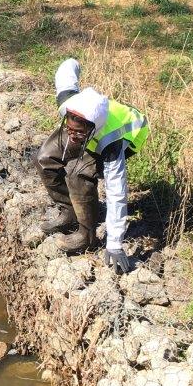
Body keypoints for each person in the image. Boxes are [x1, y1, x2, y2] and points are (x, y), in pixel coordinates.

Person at [35, 58, 149, 275]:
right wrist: (74, 61)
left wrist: (115, 244)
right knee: (45, 158)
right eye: (69, 128)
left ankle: (86, 236)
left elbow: (117, 193)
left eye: (78, 132)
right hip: (88, 122)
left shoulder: (111, 143)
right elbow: (65, 72)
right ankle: (69, 212)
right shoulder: (70, 107)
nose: (72, 135)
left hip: (130, 135)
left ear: (91, 128)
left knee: (77, 173)